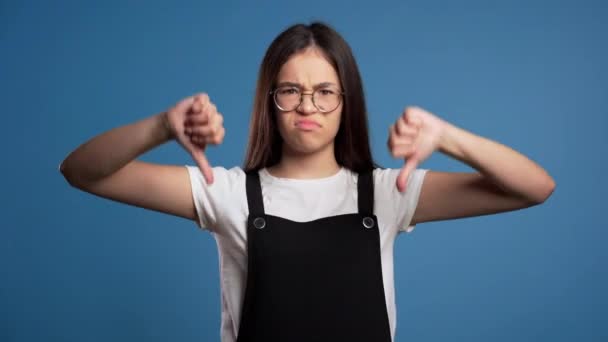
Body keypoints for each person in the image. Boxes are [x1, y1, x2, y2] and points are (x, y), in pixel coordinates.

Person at [60, 21, 555, 342]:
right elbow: (81, 172)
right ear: (269, 101)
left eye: (324, 92)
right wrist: (163, 127)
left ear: (347, 101)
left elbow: (533, 187)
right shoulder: (227, 192)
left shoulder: (385, 194)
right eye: (291, 91)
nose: (307, 106)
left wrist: (447, 137)